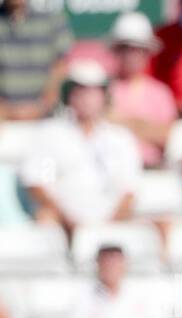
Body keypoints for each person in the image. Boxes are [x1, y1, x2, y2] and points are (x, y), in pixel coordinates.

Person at [21, 60, 141, 239]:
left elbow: (129, 191)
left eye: (94, 91)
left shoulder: (120, 139)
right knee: (45, 221)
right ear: (69, 96)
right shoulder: (50, 134)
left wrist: (107, 228)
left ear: (104, 96)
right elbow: (38, 183)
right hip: (63, 227)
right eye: (81, 91)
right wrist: (68, 222)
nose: (88, 98)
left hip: (110, 229)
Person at [54, 245, 172, 318]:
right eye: (107, 263)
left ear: (125, 265)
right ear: (98, 265)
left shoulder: (144, 296)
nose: (112, 268)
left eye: (116, 263)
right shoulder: (84, 300)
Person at [105, 12, 176, 169]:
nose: (132, 55)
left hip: (151, 172)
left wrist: (120, 122)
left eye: (139, 49)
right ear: (116, 51)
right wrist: (145, 127)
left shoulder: (161, 93)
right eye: (125, 49)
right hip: (112, 173)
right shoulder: (102, 89)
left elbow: (166, 137)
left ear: (147, 53)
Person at [0, 0, 72, 120]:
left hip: (45, 117)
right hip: (3, 120)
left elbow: (61, 65)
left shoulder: (51, 18)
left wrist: (43, 105)